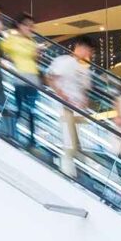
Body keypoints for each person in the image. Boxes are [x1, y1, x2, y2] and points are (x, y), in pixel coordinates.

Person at [44, 37, 94, 180]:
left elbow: (84, 91)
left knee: (77, 145)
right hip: (65, 108)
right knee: (70, 144)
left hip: (78, 110)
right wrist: (62, 95)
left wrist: (84, 100)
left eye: (90, 51)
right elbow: (50, 77)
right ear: (78, 46)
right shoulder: (65, 61)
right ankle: (67, 174)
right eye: (86, 49)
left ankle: (79, 174)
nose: (87, 53)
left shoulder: (84, 69)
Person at [0, 17, 43, 147]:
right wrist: (10, 60)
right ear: (19, 25)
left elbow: (35, 60)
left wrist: (37, 54)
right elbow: (1, 51)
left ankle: (31, 138)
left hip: (33, 78)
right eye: (27, 25)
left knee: (31, 110)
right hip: (20, 77)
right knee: (18, 108)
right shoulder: (12, 39)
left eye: (32, 26)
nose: (30, 28)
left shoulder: (32, 41)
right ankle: (8, 133)